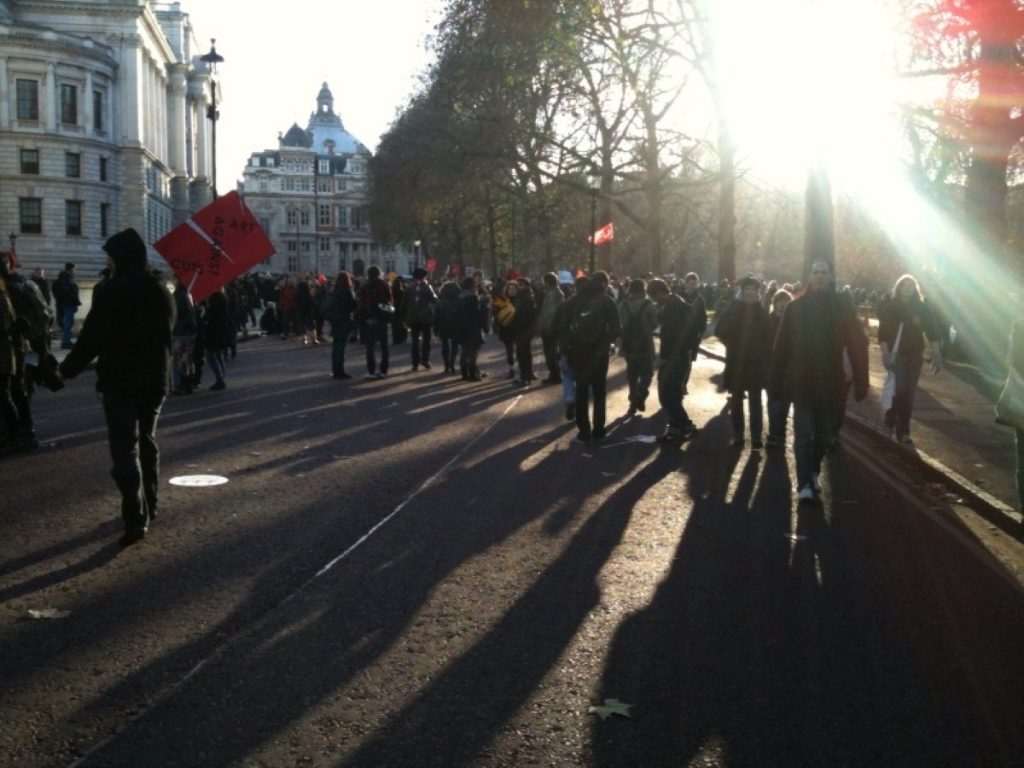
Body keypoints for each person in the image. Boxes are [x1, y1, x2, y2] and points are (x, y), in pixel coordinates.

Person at [58, 229, 174, 546]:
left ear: (121, 258)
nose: (107, 261)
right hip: (155, 381)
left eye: (110, 256)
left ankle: (135, 517)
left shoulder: (111, 291)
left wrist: (65, 372)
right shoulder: (160, 289)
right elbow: (168, 332)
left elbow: (91, 338)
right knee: (148, 442)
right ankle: (152, 503)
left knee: (125, 450)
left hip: (121, 381)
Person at [767, 260, 868, 502]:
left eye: (824, 273)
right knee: (802, 435)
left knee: (824, 435)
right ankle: (804, 485)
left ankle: (813, 472)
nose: (820, 276)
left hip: (831, 383)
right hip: (803, 382)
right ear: (809, 277)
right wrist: (775, 384)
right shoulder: (795, 308)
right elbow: (781, 348)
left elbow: (857, 343)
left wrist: (861, 378)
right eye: (815, 273)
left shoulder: (842, 307)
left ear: (830, 277)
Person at [877, 273, 942, 444]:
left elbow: (932, 332)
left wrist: (937, 354)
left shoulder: (922, 308)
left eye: (911, 286)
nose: (908, 288)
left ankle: (903, 430)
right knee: (899, 391)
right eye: (904, 285)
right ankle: (890, 420)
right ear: (899, 288)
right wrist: (885, 354)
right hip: (897, 355)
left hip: (915, 355)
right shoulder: (891, 307)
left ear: (915, 289)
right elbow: (882, 333)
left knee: (909, 394)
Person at [715, 274, 773, 448]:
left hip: (756, 363)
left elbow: (769, 337)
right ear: (742, 291)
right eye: (746, 289)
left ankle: (756, 437)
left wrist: (763, 353)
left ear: (757, 292)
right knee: (737, 401)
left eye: (752, 289)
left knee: (756, 401)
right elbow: (720, 330)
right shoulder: (734, 308)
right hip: (736, 361)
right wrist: (731, 343)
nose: (749, 292)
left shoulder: (762, 312)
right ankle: (738, 435)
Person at [565, 271, 620, 442]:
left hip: (580, 352)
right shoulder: (608, 301)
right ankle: (599, 429)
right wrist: (607, 343)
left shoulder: (576, 300)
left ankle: (584, 431)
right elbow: (616, 328)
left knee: (581, 391)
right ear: (604, 284)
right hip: (600, 353)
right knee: (599, 392)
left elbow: (565, 325)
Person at [649, 278, 699, 444]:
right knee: (673, 393)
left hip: (673, 356)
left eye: (655, 296)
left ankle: (685, 425)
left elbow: (672, 334)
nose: (655, 300)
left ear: (661, 292)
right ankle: (675, 429)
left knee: (666, 394)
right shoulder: (676, 303)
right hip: (680, 355)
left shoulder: (672, 306)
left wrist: (666, 356)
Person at [617, 278, 658, 415]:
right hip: (645, 344)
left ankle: (632, 404)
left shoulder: (623, 305)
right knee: (647, 373)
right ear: (643, 290)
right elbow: (655, 323)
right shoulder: (648, 305)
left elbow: (619, 324)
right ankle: (640, 394)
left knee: (632, 375)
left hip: (629, 345)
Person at [765, 289, 793, 447]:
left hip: (789, 370)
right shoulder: (768, 321)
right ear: (774, 303)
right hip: (771, 369)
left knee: (785, 404)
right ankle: (775, 433)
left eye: (786, 302)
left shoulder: (794, 324)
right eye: (779, 301)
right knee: (774, 402)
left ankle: (780, 430)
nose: (782, 305)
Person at [356, 265, 394, 379]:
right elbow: (390, 300)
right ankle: (383, 370)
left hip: (369, 318)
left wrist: (362, 317)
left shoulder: (365, 286)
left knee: (370, 347)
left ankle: (371, 371)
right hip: (382, 317)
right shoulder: (384, 284)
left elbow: (361, 304)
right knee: (384, 345)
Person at [324, 271, 357, 379]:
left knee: (336, 346)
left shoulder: (334, 291)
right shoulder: (347, 291)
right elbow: (352, 305)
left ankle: (335, 369)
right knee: (341, 347)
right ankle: (340, 371)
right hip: (344, 321)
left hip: (335, 321)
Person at [454, 276, 487, 380]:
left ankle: (464, 373)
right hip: (473, 328)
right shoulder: (473, 298)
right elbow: (478, 314)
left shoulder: (460, 297)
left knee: (464, 351)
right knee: (473, 352)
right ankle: (472, 374)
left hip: (462, 328)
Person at [405, 267, 437, 371]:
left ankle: (415, 362)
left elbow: (404, 304)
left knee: (414, 341)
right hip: (425, 317)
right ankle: (425, 360)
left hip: (413, 318)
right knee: (426, 340)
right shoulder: (427, 287)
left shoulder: (409, 288)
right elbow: (434, 300)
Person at [202, 287, 234, 391]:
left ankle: (219, 378)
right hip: (221, 335)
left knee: (211, 357)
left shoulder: (213, 304)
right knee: (219, 355)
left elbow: (209, 321)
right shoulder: (223, 301)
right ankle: (221, 376)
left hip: (213, 336)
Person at [171, 276, 197, 395]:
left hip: (181, 331)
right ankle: (189, 383)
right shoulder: (187, 292)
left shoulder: (180, 294)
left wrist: (174, 324)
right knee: (187, 359)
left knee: (180, 359)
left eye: (174, 278)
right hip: (188, 331)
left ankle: (183, 384)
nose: (172, 280)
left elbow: (180, 313)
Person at [536, 272, 564, 384]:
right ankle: (554, 374)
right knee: (552, 354)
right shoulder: (557, 293)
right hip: (553, 328)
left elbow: (550, 313)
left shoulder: (552, 294)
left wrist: (545, 328)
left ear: (548, 282)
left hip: (550, 330)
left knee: (550, 354)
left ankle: (555, 375)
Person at [435, 276, 462, 374]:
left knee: (445, 346)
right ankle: (452, 362)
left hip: (443, 325)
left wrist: (436, 328)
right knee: (455, 345)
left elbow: (436, 316)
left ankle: (446, 364)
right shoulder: (459, 300)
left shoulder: (440, 301)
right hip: (456, 324)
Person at [52, 262, 81, 349]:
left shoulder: (62, 278)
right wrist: (72, 299)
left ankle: (66, 340)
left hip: (65, 303)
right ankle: (65, 342)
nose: (75, 271)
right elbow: (68, 291)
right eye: (74, 269)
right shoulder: (67, 279)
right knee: (69, 323)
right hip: (68, 304)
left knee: (68, 323)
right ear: (71, 269)